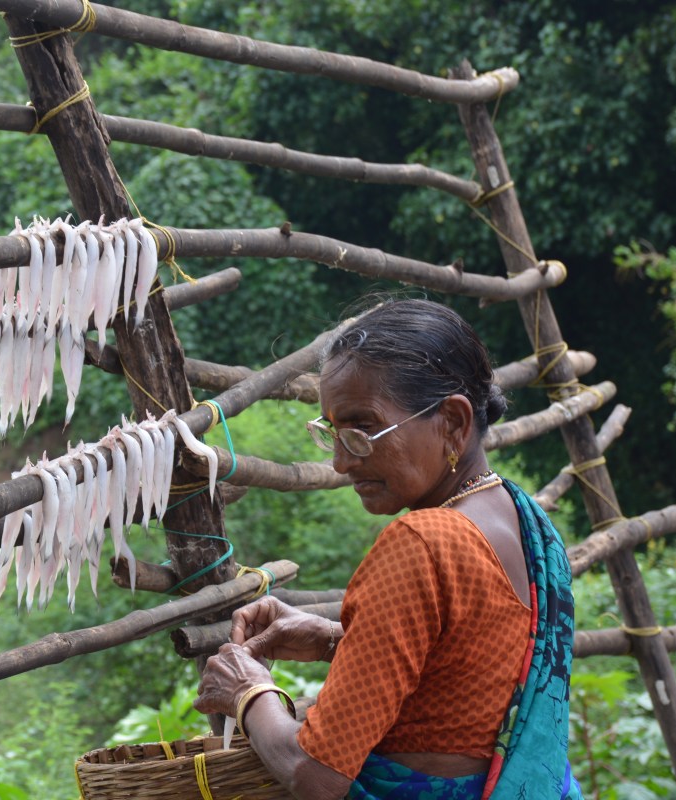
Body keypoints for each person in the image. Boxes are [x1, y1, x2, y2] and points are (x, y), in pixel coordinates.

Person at [194, 299, 582, 799]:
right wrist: (336, 639)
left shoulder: (423, 543)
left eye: (362, 430)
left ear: (453, 422)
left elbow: (315, 774)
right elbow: (469, 666)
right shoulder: (526, 521)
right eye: (332, 432)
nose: (340, 462)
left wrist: (248, 692)